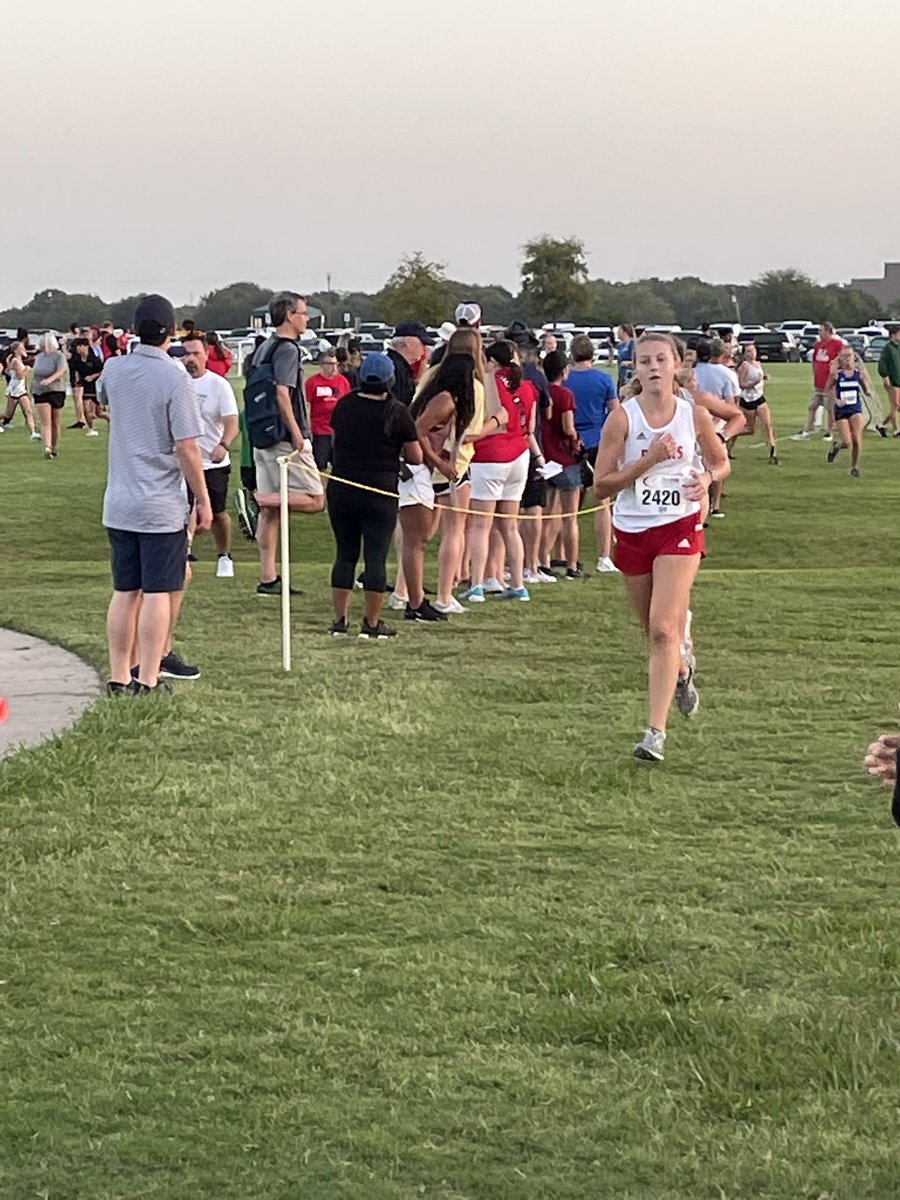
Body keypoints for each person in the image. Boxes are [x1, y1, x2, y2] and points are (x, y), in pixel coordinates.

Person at [593, 332, 729, 763]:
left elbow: (720, 461)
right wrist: (649, 459)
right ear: (634, 368)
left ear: (676, 364)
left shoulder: (694, 414)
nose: (653, 367)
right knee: (652, 630)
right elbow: (601, 486)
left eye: (660, 360)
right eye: (644, 361)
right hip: (633, 530)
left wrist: (706, 478)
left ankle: (655, 734)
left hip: (679, 525)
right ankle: (682, 669)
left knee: (663, 629)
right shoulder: (623, 419)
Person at [100, 294, 211, 695]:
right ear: (172, 332)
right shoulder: (176, 378)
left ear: (135, 329)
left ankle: (118, 676)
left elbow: (104, 399)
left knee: (125, 590)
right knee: (159, 591)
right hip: (160, 504)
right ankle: (148, 677)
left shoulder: (113, 368)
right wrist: (203, 499)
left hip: (120, 500)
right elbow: (187, 447)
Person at [327, 353, 421, 640]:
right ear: (390, 380)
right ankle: (371, 621)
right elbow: (415, 456)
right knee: (375, 557)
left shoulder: (345, 405)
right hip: (380, 492)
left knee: (345, 554)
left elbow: (335, 443)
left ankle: (340, 620)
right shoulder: (397, 412)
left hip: (343, 488)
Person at [252, 291, 325, 596]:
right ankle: (258, 498)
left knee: (273, 511)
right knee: (315, 498)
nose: (307, 319)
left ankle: (268, 577)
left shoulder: (263, 347)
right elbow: (283, 394)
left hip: (262, 435)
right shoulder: (287, 349)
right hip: (283, 437)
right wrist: (297, 434)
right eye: (303, 313)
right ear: (289, 315)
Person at [399, 351, 480, 622]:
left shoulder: (444, 398)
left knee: (419, 539)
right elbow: (416, 431)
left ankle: (415, 598)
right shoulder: (444, 401)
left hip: (423, 469)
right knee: (416, 540)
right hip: (416, 470)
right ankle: (415, 602)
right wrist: (439, 463)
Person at [464, 340, 539, 603]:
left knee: (480, 524)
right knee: (509, 525)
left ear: (493, 362)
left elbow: (493, 417)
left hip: (491, 454)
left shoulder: (488, 382)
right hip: (519, 454)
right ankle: (518, 584)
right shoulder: (526, 386)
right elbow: (529, 425)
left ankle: (477, 584)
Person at [182, 333, 240, 575]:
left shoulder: (218, 385)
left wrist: (223, 445)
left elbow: (232, 422)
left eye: (196, 353)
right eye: (186, 353)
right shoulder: (176, 383)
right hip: (183, 461)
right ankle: (183, 553)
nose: (190, 359)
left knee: (216, 512)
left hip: (212, 462)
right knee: (183, 510)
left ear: (206, 354)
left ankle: (224, 555)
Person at [566, 333, 619, 571]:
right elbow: (615, 411)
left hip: (570, 441)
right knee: (602, 501)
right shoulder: (604, 379)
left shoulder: (565, 379)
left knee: (567, 504)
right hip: (598, 441)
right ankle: (604, 556)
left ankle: (564, 555)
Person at [539, 350, 583, 578]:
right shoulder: (565, 395)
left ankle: (542, 560)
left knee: (546, 516)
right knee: (569, 517)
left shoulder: (541, 392)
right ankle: (572, 564)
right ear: (564, 371)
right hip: (565, 459)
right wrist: (576, 439)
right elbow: (568, 428)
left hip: (545, 457)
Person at [791, 322, 844, 441]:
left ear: (828, 331)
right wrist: (814, 375)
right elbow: (815, 362)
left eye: (821, 330)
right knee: (812, 406)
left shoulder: (837, 344)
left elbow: (841, 360)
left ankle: (829, 432)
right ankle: (806, 431)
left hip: (830, 384)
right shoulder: (818, 345)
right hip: (818, 384)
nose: (819, 333)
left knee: (830, 409)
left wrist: (835, 378)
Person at [826, 346, 872, 476]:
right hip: (841, 410)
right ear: (840, 358)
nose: (847, 358)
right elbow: (827, 389)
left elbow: (866, 389)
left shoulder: (859, 373)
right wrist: (836, 400)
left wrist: (868, 391)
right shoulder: (837, 374)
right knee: (847, 442)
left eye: (849, 355)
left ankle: (854, 467)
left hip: (855, 409)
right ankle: (836, 447)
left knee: (857, 439)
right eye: (844, 356)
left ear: (854, 357)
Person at [305, 349, 351, 471]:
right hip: (320, 431)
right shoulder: (312, 383)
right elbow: (306, 406)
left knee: (340, 465)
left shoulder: (343, 381)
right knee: (319, 465)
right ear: (321, 365)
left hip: (338, 430)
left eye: (336, 364)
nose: (334, 367)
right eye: (330, 364)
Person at [737, 342, 778, 464]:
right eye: (749, 351)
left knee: (767, 425)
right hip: (748, 400)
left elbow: (759, 377)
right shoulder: (744, 367)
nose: (752, 353)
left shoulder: (758, 364)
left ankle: (773, 453)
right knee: (750, 429)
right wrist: (752, 384)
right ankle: (728, 434)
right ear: (745, 354)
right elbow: (740, 384)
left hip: (759, 398)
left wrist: (764, 377)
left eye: (753, 350)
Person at [31, 333, 68, 458]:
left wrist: (50, 379)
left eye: (41, 342)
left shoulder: (59, 356)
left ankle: (54, 446)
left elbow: (61, 370)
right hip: (40, 391)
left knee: (55, 421)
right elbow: (35, 373)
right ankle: (47, 447)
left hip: (56, 390)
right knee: (45, 420)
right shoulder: (39, 357)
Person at [386, 321, 434, 406]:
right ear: (408, 342)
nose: (424, 349)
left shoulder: (395, 365)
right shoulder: (396, 370)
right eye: (423, 343)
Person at [1, 342, 40, 439]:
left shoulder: (17, 360)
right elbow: (20, 376)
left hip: (20, 389)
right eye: (22, 348)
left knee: (28, 411)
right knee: (8, 414)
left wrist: (13, 375)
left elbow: (7, 371)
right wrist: (26, 369)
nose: (24, 350)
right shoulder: (15, 361)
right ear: (16, 351)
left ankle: (33, 433)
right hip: (15, 390)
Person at [69, 338, 107, 436]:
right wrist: (76, 382)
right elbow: (75, 371)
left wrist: (92, 376)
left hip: (96, 386)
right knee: (86, 408)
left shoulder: (94, 359)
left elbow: (103, 371)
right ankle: (91, 429)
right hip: (85, 386)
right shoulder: (77, 360)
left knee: (99, 413)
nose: (78, 348)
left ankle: (111, 421)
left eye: (79, 346)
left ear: (85, 346)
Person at [875, 324, 900, 437]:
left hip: (899, 379)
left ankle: (881, 425)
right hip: (892, 380)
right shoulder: (888, 348)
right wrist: (885, 377)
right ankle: (896, 430)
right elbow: (882, 364)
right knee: (895, 405)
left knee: (898, 406)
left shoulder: (898, 347)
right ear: (893, 335)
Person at [616, 323, 636, 390]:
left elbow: (636, 360)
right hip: (621, 375)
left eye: (619, 331)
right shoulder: (620, 345)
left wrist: (628, 363)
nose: (617, 333)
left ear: (625, 332)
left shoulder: (632, 344)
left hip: (629, 374)